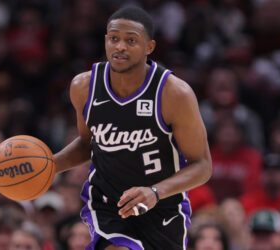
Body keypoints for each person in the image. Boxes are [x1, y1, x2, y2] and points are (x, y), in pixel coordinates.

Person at [54, 6, 212, 250]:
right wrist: (50, 166)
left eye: (131, 40)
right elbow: (88, 145)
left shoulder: (174, 94)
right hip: (109, 203)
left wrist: (155, 191)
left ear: (149, 47)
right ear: (106, 41)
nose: (120, 47)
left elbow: (202, 165)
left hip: (163, 206)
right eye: (114, 39)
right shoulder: (84, 87)